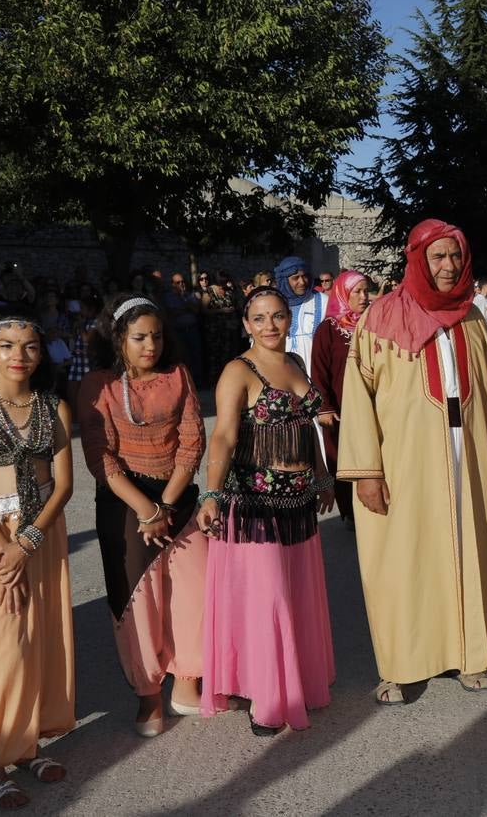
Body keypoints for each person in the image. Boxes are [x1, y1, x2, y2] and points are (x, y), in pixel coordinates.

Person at [338, 219, 487, 705]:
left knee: (469, 557)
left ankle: (470, 656)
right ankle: (399, 665)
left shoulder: (474, 318)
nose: (448, 265)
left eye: (455, 255)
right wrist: (366, 470)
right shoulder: (381, 319)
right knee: (402, 562)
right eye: (437, 256)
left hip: (468, 457)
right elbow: (358, 398)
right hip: (403, 465)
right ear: (417, 260)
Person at [195, 286, 335, 735]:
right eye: (260, 318)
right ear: (245, 324)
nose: (270, 325)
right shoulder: (239, 370)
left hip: (299, 503)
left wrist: (323, 477)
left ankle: (296, 685)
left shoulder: (294, 363)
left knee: (295, 599)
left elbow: (307, 425)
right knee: (268, 602)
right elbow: (223, 437)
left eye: (278, 316)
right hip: (255, 506)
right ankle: (266, 698)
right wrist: (211, 494)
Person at [0, 310, 74, 808]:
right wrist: (5, 546)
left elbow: (64, 485)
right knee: (1, 645)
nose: (18, 356)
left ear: (39, 352)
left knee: (42, 635)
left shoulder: (55, 408)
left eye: (28, 346)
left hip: (41, 534)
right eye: (7, 345)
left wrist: (29, 541)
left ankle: (28, 744)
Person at [78, 296, 207, 738]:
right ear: (119, 339)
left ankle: (188, 678)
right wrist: (145, 509)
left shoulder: (178, 374)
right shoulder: (99, 384)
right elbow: (99, 454)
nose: (150, 344)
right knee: (138, 600)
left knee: (195, 587)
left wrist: (166, 506)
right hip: (124, 501)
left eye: (156, 335)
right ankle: (148, 692)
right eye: (139, 337)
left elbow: (192, 442)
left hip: (175, 495)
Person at [311, 269, 369, 530]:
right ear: (343, 294)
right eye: (357, 291)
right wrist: (324, 407)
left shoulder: (372, 323)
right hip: (340, 408)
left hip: (372, 405)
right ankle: (351, 512)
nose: (364, 296)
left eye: (366, 290)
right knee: (344, 460)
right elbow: (318, 371)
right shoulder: (329, 329)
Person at [273, 256, 327, 368]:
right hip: (280, 367)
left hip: (314, 368)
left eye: (305, 276)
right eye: (295, 278)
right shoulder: (274, 302)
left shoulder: (323, 301)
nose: (302, 282)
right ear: (284, 280)